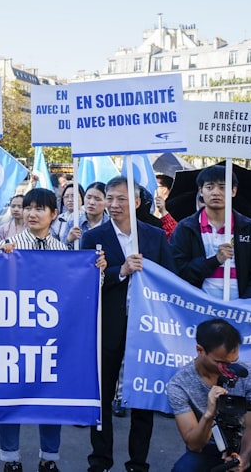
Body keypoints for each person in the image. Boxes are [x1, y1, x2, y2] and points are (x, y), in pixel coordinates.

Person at [0, 187, 107, 472]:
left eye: (40, 208)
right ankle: (11, 459)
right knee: (11, 398)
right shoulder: (8, 245)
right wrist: (1, 259)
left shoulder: (64, 251)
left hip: (52, 338)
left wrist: (98, 270)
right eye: (28, 207)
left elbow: (84, 291)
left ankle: (49, 458)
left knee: (51, 396)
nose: (32, 213)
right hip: (15, 337)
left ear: (54, 214)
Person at [81, 176, 175, 472]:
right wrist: (119, 271)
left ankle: (137, 462)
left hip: (146, 328)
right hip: (109, 326)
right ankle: (100, 460)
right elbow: (85, 284)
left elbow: (170, 280)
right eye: (110, 198)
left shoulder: (154, 236)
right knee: (102, 397)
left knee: (142, 400)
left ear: (136, 202)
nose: (114, 204)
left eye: (121, 199)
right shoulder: (94, 237)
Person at [166, 318, 251, 472]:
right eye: (221, 363)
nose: (229, 368)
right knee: (183, 469)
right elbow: (194, 444)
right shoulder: (179, 385)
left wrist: (244, 459)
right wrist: (209, 414)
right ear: (200, 350)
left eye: (234, 361)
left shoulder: (250, 374)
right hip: (210, 445)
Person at [170, 165, 251, 299]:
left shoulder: (250, 228)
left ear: (233, 191)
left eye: (223, 187)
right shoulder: (186, 228)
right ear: (201, 191)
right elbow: (178, 271)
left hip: (241, 311)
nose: (216, 192)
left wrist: (246, 305)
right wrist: (215, 260)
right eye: (209, 187)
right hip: (197, 308)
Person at [61, 182, 109, 246]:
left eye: (97, 199)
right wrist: (68, 239)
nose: (91, 202)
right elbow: (61, 251)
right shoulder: (74, 222)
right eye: (88, 197)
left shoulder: (111, 224)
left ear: (107, 202)